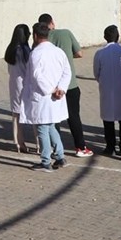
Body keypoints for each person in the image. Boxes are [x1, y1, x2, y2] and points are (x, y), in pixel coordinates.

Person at [40, 13, 92, 156]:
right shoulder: (65, 33)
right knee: (73, 116)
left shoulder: (41, 40)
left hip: (51, 86)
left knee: (53, 119)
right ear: (52, 23)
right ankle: (80, 147)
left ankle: (54, 147)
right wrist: (68, 55)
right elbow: (79, 53)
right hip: (70, 84)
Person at [22, 21, 71, 171]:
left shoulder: (36, 53)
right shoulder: (58, 51)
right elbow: (67, 72)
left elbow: (37, 76)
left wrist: (52, 89)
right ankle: (60, 156)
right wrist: (61, 89)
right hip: (56, 97)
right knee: (50, 126)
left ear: (35, 36)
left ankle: (45, 161)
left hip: (43, 96)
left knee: (42, 128)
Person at [93, 25, 121, 157]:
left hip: (107, 89)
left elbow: (96, 73)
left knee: (108, 119)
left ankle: (110, 147)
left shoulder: (100, 53)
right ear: (118, 36)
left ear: (105, 37)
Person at [4, 23, 33, 154]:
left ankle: (17, 142)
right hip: (26, 83)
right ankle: (38, 143)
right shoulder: (26, 50)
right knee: (33, 113)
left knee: (16, 115)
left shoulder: (10, 49)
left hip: (14, 83)